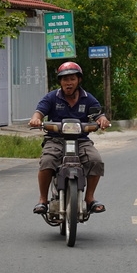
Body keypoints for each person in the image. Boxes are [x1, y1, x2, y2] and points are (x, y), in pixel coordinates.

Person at [28, 61, 111, 215]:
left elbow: (98, 114)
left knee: (95, 160)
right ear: (60, 82)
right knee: (47, 161)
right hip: (55, 140)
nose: (68, 83)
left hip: (81, 140)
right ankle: (42, 200)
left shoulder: (88, 98)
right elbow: (39, 112)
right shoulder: (52, 97)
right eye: (65, 79)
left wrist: (102, 120)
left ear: (79, 80)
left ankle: (90, 198)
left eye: (72, 79)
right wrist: (36, 119)